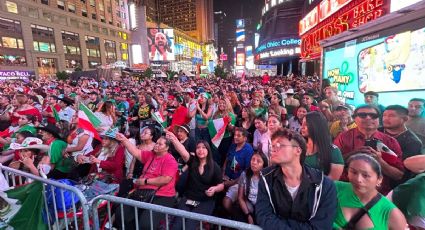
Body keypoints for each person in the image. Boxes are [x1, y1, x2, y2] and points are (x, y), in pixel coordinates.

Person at [255, 128, 337, 229]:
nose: (273, 149)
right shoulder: (266, 178)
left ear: (298, 150)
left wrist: (279, 223)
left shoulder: (324, 185)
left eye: (280, 145)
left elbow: (322, 226)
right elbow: (264, 216)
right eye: (272, 146)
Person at [334, 104, 404, 195]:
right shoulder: (343, 138)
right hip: (347, 191)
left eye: (373, 116)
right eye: (363, 115)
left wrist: (380, 161)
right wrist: (353, 155)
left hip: (378, 194)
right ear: (354, 118)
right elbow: (332, 164)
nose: (368, 118)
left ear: (379, 119)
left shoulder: (390, 142)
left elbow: (398, 175)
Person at [115, 133, 178, 230]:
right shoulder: (151, 155)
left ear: (167, 148)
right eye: (156, 143)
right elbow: (136, 152)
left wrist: (145, 181)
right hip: (142, 192)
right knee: (121, 214)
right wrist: (124, 140)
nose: (156, 145)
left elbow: (166, 179)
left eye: (160, 144)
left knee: (146, 225)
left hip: (162, 195)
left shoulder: (170, 160)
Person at [166, 131, 223, 230]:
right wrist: (174, 139)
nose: (201, 150)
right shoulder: (192, 161)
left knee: (190, 226)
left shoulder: (215, 166)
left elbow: (221, 185)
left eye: (203, 147)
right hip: (189, 197)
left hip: (205, 201)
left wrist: (214, 189)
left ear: (208, 150)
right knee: (176, 226)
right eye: (198, 148)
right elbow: (182, 151)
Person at [333, 154, 406, 230]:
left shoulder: (392, 214)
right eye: (353, 172)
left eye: (365, 175)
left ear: (379, 179)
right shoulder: (334, 188)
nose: (358, 179)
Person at [301, 111, 344, 180]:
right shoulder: (299, 146)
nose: (302, 127)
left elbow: (332, 180)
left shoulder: (333, 151)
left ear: (316, 125)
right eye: (302, 123)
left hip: (320, 189)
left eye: (306, 124)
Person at [222, 127, 254, 214]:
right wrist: (223, 173)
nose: (235, 137)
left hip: (238, 181)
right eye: (235, 135)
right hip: (226, 177)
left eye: (238, 135)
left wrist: (231, 183)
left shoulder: (248, 150)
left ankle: (234, 217)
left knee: (226, 203)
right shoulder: (233, 145)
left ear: (245, 138)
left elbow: (247, 172)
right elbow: (227, 159)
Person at [238, 152, 268, 224]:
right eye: (253, 159)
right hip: (248, 206)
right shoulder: (244, 175)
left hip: (262, 208)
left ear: (263, 165)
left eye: (258, 161)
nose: (254, 162)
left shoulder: (267, 178)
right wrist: (248, 215)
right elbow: (240, 198)